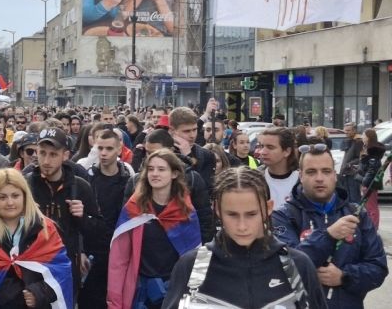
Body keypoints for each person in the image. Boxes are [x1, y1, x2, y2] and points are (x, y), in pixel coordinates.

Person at [163, 167, 327, 308]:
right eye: (232, 215)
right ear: (217, 210)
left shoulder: (297, 265)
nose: (242, 226)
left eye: (251, 214)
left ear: (269, 207)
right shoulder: (192, 267)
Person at [271, 145, 388, 308]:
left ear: (335, 175)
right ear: (301, 176)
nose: (319, 178)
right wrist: (328, 236)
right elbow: (284, 268)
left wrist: (344, 277)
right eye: (311, 172)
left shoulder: (356, 214)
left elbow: (378, 268)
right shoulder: (283, 216)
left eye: (326, 171)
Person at [0, 169, 73, 309]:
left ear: (25, 196)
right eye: (2, 197)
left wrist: (38, 293)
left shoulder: (45, 228)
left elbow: (61, 272)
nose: (10, 202)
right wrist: (22, 297)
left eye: (15, 196)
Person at [107, 150, 201, 309]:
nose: (154, 174)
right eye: (150, 169)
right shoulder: (133, 208)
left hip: (175, 292)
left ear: (174, 174)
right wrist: (114, 303)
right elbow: (118, 260)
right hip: (140, 292)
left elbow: (198, 259)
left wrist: (197, 300)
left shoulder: (186, 212)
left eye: (161, 169)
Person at [26, 127, 104, 302]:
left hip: (66, 270)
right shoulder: (25, 184)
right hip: (30, 269)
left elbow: (98, 232)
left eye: (53, 154)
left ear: (66, 155)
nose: (46, 160)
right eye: (42, 153)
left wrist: (82, 217)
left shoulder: (80, 186)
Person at [82, 129, 135, 309]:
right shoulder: (87, 179)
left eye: (109, 149)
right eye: (100, 148)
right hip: (93, 250)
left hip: (118, 250)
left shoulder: (128, 180)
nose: (103, 153)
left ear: (119, 150)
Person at [255, 127, 299, 205]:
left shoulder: (302, 180)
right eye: (261, 146)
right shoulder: (254, 178)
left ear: (287, 151)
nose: (263, 152)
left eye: (270, 147)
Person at [358, 128, 385, 228]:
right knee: (367, 207)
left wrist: (365, 182)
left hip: (370, 183)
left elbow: (372, 169)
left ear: (369, 137)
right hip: (367, 181)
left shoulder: (373, 150)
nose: (362, 137)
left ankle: (373, 227)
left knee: (371, 206)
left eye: (364, 135)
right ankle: (370, 226)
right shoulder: (367, 148)